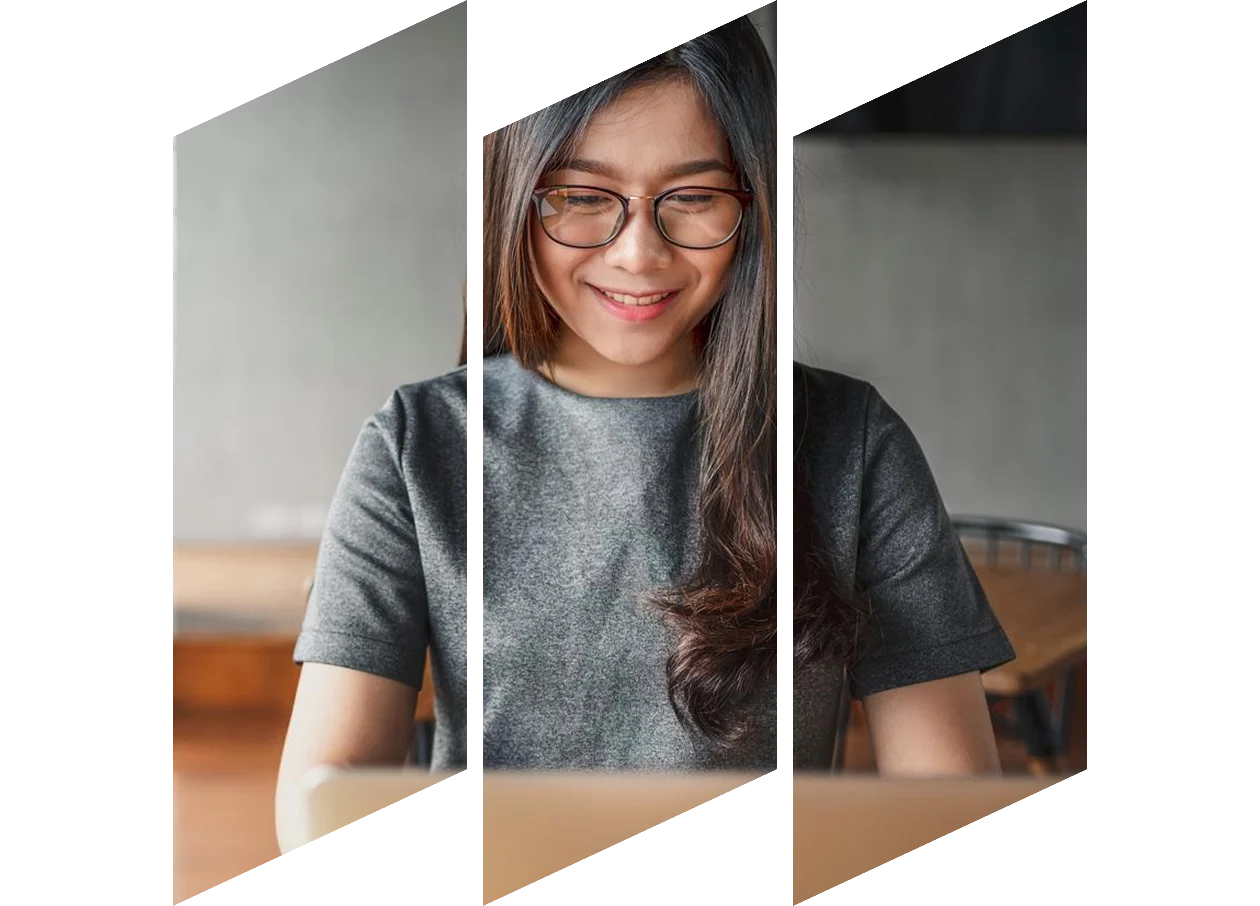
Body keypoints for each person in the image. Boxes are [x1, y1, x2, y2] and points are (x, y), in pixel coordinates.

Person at [275, 13, 1014, 854]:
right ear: (517, 195)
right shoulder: (416, 446)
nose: (637, 254)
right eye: (584, 199)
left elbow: (947, 801)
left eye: (694, 198)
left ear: (753, 202)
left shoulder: (854, 445)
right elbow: (324, 801)